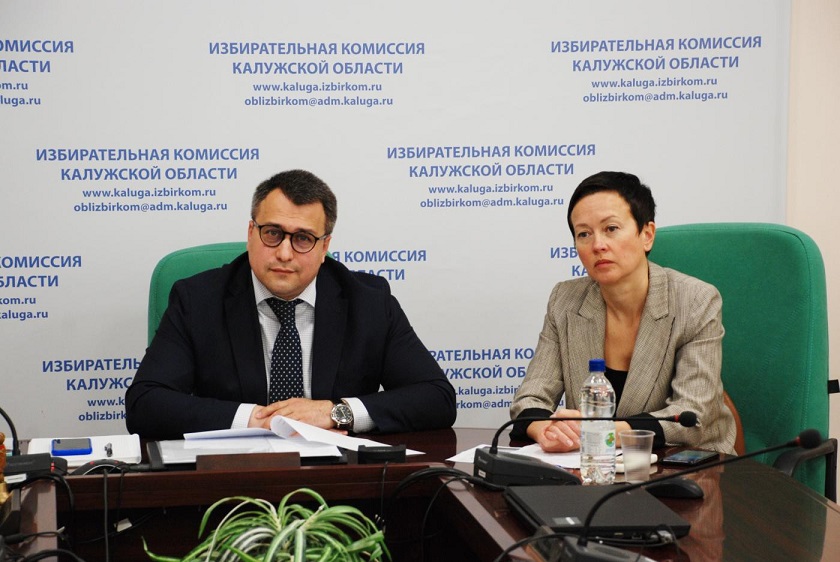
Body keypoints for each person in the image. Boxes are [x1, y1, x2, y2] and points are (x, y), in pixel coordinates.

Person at [126, 169, 456, 439]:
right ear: (251, 233)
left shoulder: (367, 301)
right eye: (272, 233)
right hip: (232, 475)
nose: (284, 253)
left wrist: (335, 412)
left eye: (302, 239)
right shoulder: (198, 300)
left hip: (338, 476)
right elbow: (146, 404)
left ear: (324, 247)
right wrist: (259, 420)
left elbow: (436, 398)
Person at [510, 171, 736, 454]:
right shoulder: (565, 300)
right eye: (584, 234)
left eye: (611, 228)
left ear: (647, 235)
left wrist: (597, 432)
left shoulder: (695, 301)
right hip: (594, 467)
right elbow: (531, 397)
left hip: (687, 464)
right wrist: (546, 429)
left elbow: (692, 415)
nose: (598, 245)